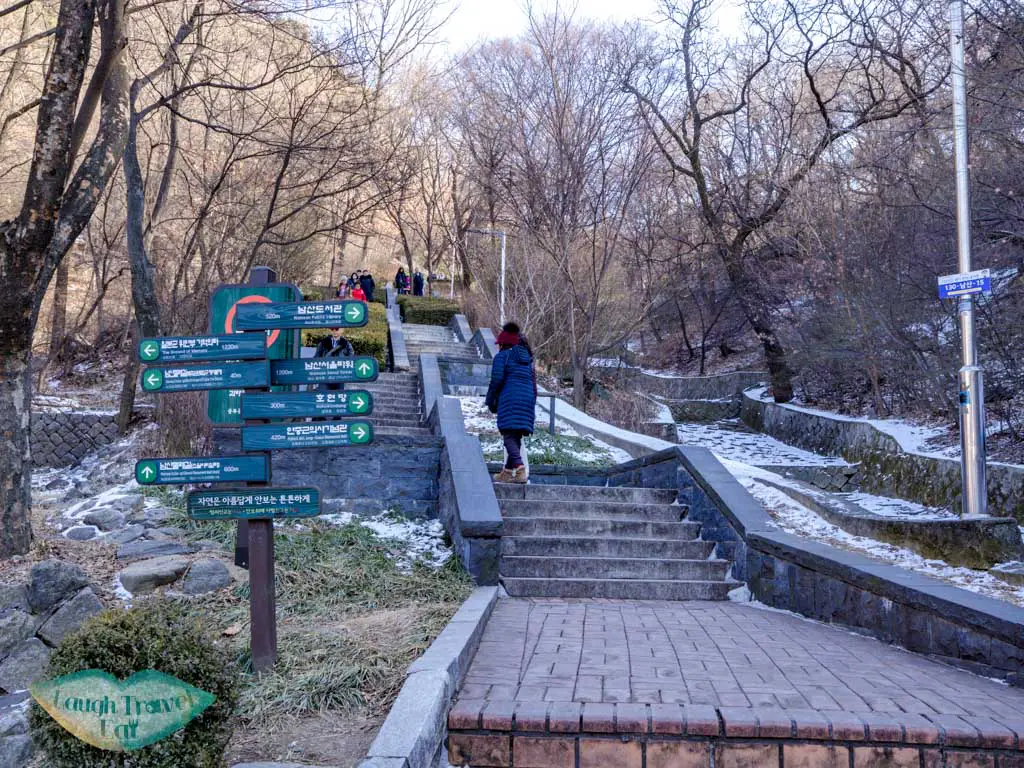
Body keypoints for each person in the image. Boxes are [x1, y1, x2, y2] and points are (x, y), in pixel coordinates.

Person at [485, 322, 537, 484]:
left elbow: (496, 380)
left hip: (510, 398)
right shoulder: (528, 361)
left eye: (500, 344)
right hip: (527, 400)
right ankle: (507, 472)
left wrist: (490, 400)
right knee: (515, 436)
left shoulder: (503, 356)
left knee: (508, 434)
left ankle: (520, 468)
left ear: (504, 343)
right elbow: (534, 386)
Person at [315, 327, 354, 391]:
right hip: (325, 374)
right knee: (324, 395)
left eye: (337, 329)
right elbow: (316, 358)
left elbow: (351, 359)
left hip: (340, 375)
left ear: (342, 330)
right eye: (332, 329)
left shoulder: (346, 344)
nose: (334, 331)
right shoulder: (323, 343)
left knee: (338, 396)